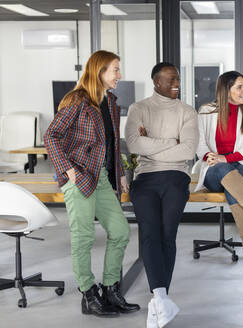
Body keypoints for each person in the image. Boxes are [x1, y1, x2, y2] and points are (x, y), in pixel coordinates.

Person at [44, 50, 140, 317]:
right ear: (99, 71)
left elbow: (111, 142)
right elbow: (51, 136)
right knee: (83, 237)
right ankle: (88, 295)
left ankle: (110, 290)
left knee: (120, 231)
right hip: (80, 177)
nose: (119, 75)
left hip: (101, 177)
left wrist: (119, 173)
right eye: (115, 70)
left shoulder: (109, 101)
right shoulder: (77, 100)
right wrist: (68, 170)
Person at [125, 62, 198, 327]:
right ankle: (161, 299)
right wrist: (171, 143)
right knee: (149, 234)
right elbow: (134, 144)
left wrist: (151, 145)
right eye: (169, 79)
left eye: (177, 78)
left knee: (168, 235)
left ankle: (159, 299)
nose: (175, 83)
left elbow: (188, 151)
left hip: (176, 177)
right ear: (156, 82)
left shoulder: (187, 111)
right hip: (145, 178)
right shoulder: (139, 108)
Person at [195, 71, 243, 270]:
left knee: (233, 188)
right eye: (239, 87)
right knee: (225, 172)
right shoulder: (206, 111)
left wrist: (227, 158)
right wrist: (210, 157)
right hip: (215, 169)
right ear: (226, 89)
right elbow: (200, 144)